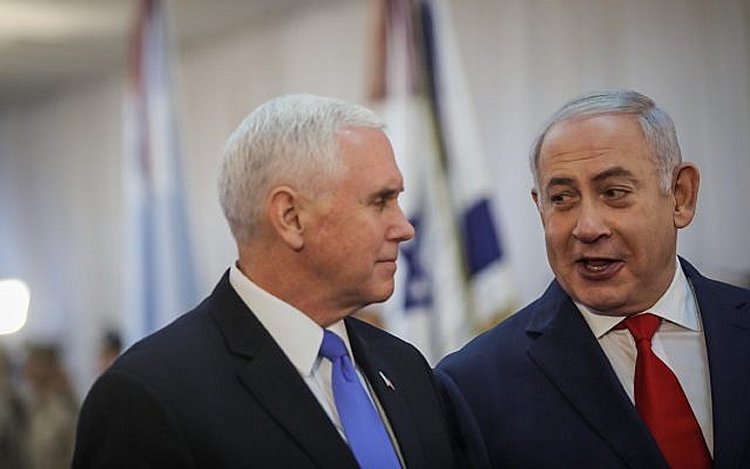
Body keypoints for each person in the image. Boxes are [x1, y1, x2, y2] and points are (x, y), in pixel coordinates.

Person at [72, 94, 456, 468]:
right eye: (379, 202)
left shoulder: (405, 367)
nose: (405, 228)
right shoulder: (148, 398)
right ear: (290, 217)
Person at [436, 89, 750, 468]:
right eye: (562, 199)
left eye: (614, 193)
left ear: (680, 196)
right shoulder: (474, 385)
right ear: (540, 209)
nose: (587, 227)